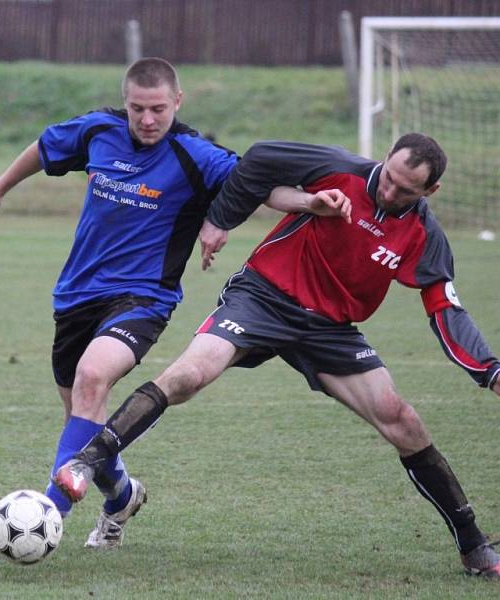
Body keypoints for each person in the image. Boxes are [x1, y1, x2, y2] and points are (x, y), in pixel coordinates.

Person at [54, 134, 500, 578]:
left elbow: (446, 309)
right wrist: (223, 218)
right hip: (264, 297)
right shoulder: (338, 167)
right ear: (384, 160)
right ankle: (85, 463)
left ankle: (473, 545)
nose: (388, 192)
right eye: (388, 178)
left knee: (402, 419)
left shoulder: (423, 234)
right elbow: (262, 157)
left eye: (405, 190)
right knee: (188, 375)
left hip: (329, 329)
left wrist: (490, 370)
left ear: (430, 191)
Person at [0, 57, 351, 549]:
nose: (147, 120)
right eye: (137, 110)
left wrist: (309, 202)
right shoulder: (97, 131)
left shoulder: (194, 154)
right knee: (81, 419)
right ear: (124, 103)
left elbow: (254, 184)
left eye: (157, 110)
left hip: (144, 297)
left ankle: (49, 510)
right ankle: (123, 496)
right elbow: (43, 149)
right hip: (76, 294)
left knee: (92, 378)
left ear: (177, 102)